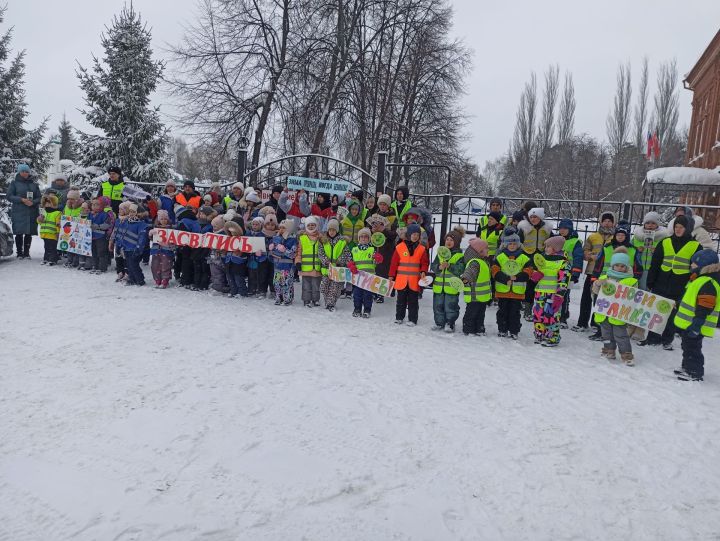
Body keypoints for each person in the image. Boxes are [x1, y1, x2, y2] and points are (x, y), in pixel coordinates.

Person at [641, 214, 702, 350]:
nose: (678, 230)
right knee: (657, 311)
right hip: (661, 282)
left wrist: (691, 284)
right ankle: (652, 338)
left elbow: (697, 268)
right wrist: (651, 281)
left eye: (681, 227)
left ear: (688, 229)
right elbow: (655, 263)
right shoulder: (665, 242)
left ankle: (667, 340)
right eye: (676, 227)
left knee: (672, 314)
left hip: (680, 284)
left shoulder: (696, 246)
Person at [673, 250, 720, 381]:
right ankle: (687, 366)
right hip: (690, 323)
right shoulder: (698, 279)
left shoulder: (707, 282)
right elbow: (691, 298)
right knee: (687, 346)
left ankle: (694, 371)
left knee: (693, 348)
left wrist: (696, 325)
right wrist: (679, 303)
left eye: (694, 262)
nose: (691, 264)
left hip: (696, 324)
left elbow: (705, 306)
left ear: (703, 265)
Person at [592, 247, 637, 366]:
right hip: (604, 312)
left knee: (621, 335)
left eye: (622, 266)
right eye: (617, 265)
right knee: (606, 334)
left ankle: (626, 354)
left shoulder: (631, 281)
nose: (619, 268)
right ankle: (608, 349)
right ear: (612, 266)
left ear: (627, 267)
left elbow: (636, 297)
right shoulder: (605, 278)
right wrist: (597, 284)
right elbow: (595, 291)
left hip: (619, 314)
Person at [572, 211, 615, 333]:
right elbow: (585, 250)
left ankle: (597, 323)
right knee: (587, 297)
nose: (607, 223)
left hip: (607, 272)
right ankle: (582, 322)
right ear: (600, 222)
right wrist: (590, 256)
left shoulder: (616, 236)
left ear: (613, 223)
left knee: (602, 299)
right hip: (592, 270)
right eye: (605, 221)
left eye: (609, 221)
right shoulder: (593, 236)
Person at [529, 235, 571, 347]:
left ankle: (552, 336)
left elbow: (564, 279)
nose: (546, 248)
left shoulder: (563, 263)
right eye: (545, 246)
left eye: (548, 246)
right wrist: (535, 275)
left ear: (556, 248)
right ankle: (540, 334)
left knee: (551, 315)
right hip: (540, 292)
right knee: (538, 314)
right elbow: (534, 273)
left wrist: (560, 294)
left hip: (553, 294)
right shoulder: (542, 259)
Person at [492, 231, 531, 339]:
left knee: (515, 313)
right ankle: (502, 329)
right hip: (503, 291)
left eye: (514, 244)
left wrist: (517, 277)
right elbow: (495, 271)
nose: (512, 246)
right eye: (510, 244)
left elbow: (528, 272)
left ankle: (514, 331)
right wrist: (505, 279)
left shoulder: (524, 257)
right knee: (502, 312)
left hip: (517, 292)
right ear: (505, 244)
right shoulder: (500, 257)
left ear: (518, 245)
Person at [389, 223, 429, 326]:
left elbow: (424, 262)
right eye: (413, 234)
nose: (415, 236)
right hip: (402, 279)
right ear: (409, 234)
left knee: (413, 302)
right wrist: (391, 275)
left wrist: (423, 271)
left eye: (417, 234)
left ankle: (412, 319)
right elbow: (394, 263)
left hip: (414, 280)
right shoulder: (399, 247)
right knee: (400, 300)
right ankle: (399, 317)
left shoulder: (422, 249)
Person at [518, 207, 553, 320]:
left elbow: (552, 241)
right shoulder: (524, 228)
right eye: (531, 217)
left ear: (540, 217)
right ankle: (527, 310)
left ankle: (539, 310)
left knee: (540, 285)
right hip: (528, 258)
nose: (533, 219)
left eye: (535, 217)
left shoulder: (546, 229)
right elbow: (519, 242)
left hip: (542, 259)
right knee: (529, 285)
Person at [430, 227, 466, 332]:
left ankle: (450, 323)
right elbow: (433, 266)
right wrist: (439, 267)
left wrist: (449, 266)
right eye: (447, 239)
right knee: (438, 306)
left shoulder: (459, 255)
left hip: (452, 287)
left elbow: (461, 269)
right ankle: (439, 323)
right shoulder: (440, 254)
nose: (449, 242)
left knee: (451, 306)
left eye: (452, 240)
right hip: (439, 287)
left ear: (457, 242)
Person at [6, 163, 41, 259]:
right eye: (22, 171)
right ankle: (19, 253)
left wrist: (33, 202)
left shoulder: (34, 185)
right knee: (19, 233)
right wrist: (21, 200)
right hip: (19, 212)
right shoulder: (14, 183)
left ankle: (26, 253)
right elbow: (9, 196)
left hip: (31, 211)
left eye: (26, 171)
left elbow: (39, 197)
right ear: (19, 172)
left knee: (29, 233)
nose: (25, 173)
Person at [348, 228, 383, 318]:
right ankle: (357, 309)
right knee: (357, 294)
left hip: (369, 277)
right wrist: (351, 266)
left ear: (369, 239)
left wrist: (378, 258)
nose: (364, 238)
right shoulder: (354, 250)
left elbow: (377, 261)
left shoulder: (372, 250)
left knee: (368, 295)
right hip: (358, 277)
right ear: (358, 239)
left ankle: (367, 310)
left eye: (366, 237)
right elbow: (350, 261)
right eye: (362, 237)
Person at [318, 218, 352, 311]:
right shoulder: (323, 241)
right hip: (326, 269)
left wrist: (339, 261)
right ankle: (327, 301)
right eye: (330, 230)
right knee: (324, 287)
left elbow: (347, 254)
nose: (331, 232)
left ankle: (330, 304)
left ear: (337, 230)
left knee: (335, 288)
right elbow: (320, 253)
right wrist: (326, 261)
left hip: (338, 269)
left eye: (333, 230)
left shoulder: (342, 242)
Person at [460, 238, 492, 335]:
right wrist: (466, 278)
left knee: (480, 314)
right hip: (474, 295)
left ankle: (479, 328)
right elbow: (470, 272)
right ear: (480, 251)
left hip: (482, 296)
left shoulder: (483, 261)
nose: (488, 250)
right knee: (471, 313)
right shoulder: (475, 262)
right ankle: (468, 329)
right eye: (486, 248)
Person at [632, 212, 669, 291]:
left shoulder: (663, 239)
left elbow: (668, 254)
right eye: (648, 223)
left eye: (653, 223)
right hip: (638, 269)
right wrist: (636, 250)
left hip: (654, 270)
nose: (650, 225)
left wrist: (657, 252)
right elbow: (630, 250)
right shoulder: (637, 237)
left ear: (657, 225)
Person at [557, 218, 583, 329]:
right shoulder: (556, 239)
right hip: (555, 272)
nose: (562, 230)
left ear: (570, 229)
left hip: (568, 273)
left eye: (565, 228)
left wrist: (575, 274)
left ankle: (563, 317)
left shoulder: (575, 242)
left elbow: (578, 258)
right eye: (560, 228)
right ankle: (555, 314)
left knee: (565, 296)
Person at [366, 213, 397, 303]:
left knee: (383, 271)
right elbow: (366, 235)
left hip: (386, 251)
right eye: (381, 204)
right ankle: (374, 291)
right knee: (374, 270)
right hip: (374, 249)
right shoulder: (373, 223)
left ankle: (381, 293)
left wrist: (383, 230)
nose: (382, 206)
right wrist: (372, 231)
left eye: (384, 204)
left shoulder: (391, 223)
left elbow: (393, 236)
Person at [119, 203, 149, 286]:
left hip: (134, 248)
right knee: (129, 264)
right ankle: (132, 279)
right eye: (130, 211)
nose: (131, 213)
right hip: (126, 248)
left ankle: (140, 280)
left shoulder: (141, 224)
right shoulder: (126, 222)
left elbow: (142, 237)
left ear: (137, 213)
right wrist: (120, 245)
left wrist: (139, 247)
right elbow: (122, 234)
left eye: (133, 212)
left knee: (134, 264)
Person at [296, 215, 323, 307]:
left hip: (317, 266)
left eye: (313, 225)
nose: (311, 227)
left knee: (316, 285)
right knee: (306, 286)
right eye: (309, 225)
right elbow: (298, 252)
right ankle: (306, 299)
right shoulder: (302, 238)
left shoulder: (320, 238)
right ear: (306, 226)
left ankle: (316, 300)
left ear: (316, 226)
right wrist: (298, 262)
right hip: (305, 267)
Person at [270, 219, 297, 305]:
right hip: (277, 265)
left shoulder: (292, 240)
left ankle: (287, 298)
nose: (281, 229)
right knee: (277, 283)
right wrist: (271, 248)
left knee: (286, 283)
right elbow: (272, 252)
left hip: (287, 266)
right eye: (280, 227)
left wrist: (284, 250)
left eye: (284, 228)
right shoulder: (276, 238)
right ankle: (279, 298)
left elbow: (293, 254)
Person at [148, 210, 175, 288]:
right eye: (162, 219)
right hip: (156, 250)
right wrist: (150, 234)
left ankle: (165, 280)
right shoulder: (156, 228)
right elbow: (151, 238)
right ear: (159, 220)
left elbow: (174, 241)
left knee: (166, 265)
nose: (164, 221)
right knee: (155, 265)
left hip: (166, 251)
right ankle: (157, 279)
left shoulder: (171, 229)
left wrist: (170, 245)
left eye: (165, 219)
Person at [224, 220, 249, 297]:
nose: (232, 232)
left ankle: (242, 292)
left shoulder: (244, 239)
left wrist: (241, 253)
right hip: (229, 260)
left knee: (238, 277)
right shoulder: (227, 238)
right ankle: (233, 290)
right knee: (230, 277)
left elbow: (247, 250)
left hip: (238, 261)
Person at [88, 197, 112, 274]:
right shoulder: (90, 214)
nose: (94, 206)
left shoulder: (105, 214)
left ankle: (102, 267)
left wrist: (97, 226)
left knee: (101, 252)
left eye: (97, 204)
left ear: (102, 205)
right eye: (93, 204)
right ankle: (95, 265)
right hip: (92, 236)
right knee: (93, 251)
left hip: (101, 236)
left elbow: (107, 225)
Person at [36, 194, 61, 265]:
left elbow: (58, 224)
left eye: (49, 202)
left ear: (54, 204)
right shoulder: (44, 212)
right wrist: (39, 219)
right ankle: (46, 259)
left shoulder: (57, 213)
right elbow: (39, 222)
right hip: (45, 233)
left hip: (53, 234)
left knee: (52, 247)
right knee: (46, 247)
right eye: (46, 203)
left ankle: (53, 260)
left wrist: (58, 232)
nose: (47, 204)